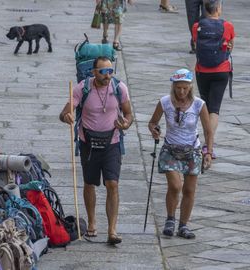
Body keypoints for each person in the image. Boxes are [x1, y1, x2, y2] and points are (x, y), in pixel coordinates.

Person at [59, 56, 133, 245]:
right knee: (90, 183)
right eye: (103, 71)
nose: (107, 75)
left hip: (112, 143)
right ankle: (92, 222)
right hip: (88, 143)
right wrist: (67, 116)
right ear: (94, 72)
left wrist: (125, 124)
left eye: (110, 71)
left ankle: (112, 230)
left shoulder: (119, 88)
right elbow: (64, 113)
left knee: (112, 184)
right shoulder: (82, 88)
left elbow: (128, 114)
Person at [148, 68, 213, 239]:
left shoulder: (199, 104)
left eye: (185, 88)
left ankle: (183, 225)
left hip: (192, 150)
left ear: (190, 87)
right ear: (173, 86)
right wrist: (154, 129)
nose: (182, 91)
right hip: (170, 149)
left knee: (190, 189)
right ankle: (170, 219)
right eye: (178, 88)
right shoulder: (165, 102)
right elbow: (153, 122)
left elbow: (208, 131)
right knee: (175, 186)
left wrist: (208, 152)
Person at [192, 0, 234, 157]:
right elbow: (230, 46)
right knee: (214, 109)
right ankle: (208, 145)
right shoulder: (228, 26)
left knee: (205, 107)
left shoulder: (197, 26)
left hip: (202, 71)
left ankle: (204, 143)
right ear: (218, 9)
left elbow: (197, 45)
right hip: (221, 71)